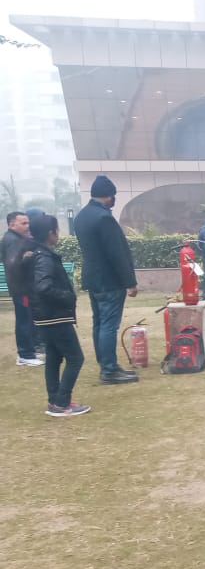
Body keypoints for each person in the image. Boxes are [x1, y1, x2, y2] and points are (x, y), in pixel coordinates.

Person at [73, 175, 139, 385]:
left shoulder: (82, 216)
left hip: (93, 279)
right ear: (109, 196)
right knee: (109, 325)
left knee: (99, 323)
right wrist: (130, 282)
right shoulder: (104, 218)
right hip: (109, 280)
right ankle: (109, 370)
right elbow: (116, 253)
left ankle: (106, 364)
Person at [23, 213, 89, 416]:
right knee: (75, 358)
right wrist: (67, 297)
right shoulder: (44, 257)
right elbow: (43, 287)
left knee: (54, 358)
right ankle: (62, 403)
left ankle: (54, 400)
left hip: (44, 317)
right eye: (57, 230)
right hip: (55, 316)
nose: (58, 234)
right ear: (50, 233)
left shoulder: (35, 254)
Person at [2, 210, 42, 366]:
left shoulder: (17, 239)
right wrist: (28, 258)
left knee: (28, 318)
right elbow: (13, 264)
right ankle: (25, 354)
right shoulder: (13, 241)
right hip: (22, 289)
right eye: (23, 223)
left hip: (23, 287)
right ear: (12, 224)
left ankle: (31, 349)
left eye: (28, 223)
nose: (27, 226)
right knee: (24, 319)